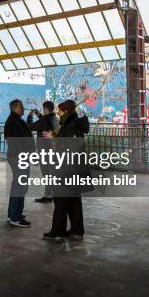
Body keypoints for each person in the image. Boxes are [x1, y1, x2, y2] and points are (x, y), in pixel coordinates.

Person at [43, 100, 93, 241]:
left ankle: (58, 232)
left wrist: (54, 140)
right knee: (74, 201)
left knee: (60, 200)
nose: (58, 113)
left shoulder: (69, 127)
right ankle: (76, 231)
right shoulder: (75, 125)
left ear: (65, 111)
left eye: (59, 111)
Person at [4, 99, 34, 228]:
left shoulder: (16, 121)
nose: (23, 108)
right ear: (14, 108)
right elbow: (18, 142)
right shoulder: (13, 122)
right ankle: (15, 217)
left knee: (18, 185)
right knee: (20, 186)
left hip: (18, 157)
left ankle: (13, 214)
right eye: (21, 106)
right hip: (19, 157)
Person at [27, 101, 60, 203]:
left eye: (43, 109)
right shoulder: (55, 118)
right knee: (51, 173)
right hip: (53, 150)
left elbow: (30, 126)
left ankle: (48, 195)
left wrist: (30, 116)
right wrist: (37, 113)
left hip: (45, 151)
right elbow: (44, 120)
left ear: (45, 109)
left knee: (46, 174)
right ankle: (52, 194)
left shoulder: (45, 120)